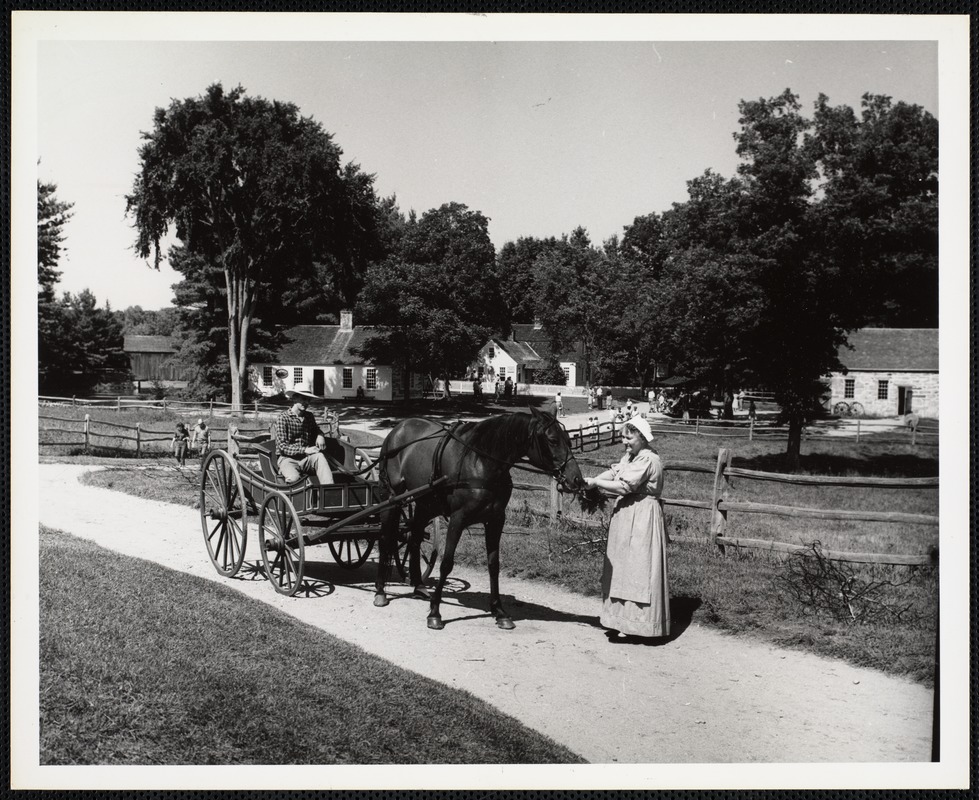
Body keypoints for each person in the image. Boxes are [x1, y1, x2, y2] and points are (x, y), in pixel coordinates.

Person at [585, 416, 670, 640]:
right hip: (627, 516)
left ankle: (639, 624)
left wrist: (595, 483)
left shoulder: (648, 460)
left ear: (642, 438)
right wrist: (590, 480)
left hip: (642, 517)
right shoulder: (631, 457)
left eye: (629, 437)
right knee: (622, 568)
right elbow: (614, 474)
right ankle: (619, 620)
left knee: (638, 568)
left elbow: (624, 485)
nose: (625, 441)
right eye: (623, 437)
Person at [272, 398, 334, 484]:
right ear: (294, 399)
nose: (306, 402)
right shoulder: (283, 418)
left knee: (320, 456)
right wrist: (304, 450)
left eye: (308, 400)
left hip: (306, 458)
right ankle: (295, 495)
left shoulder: (309, 416)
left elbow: (316, 429)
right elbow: (282, 447)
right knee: (294, 479)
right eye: (302, 399)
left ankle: (328, 492)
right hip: (287, 459)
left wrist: (320, 435)